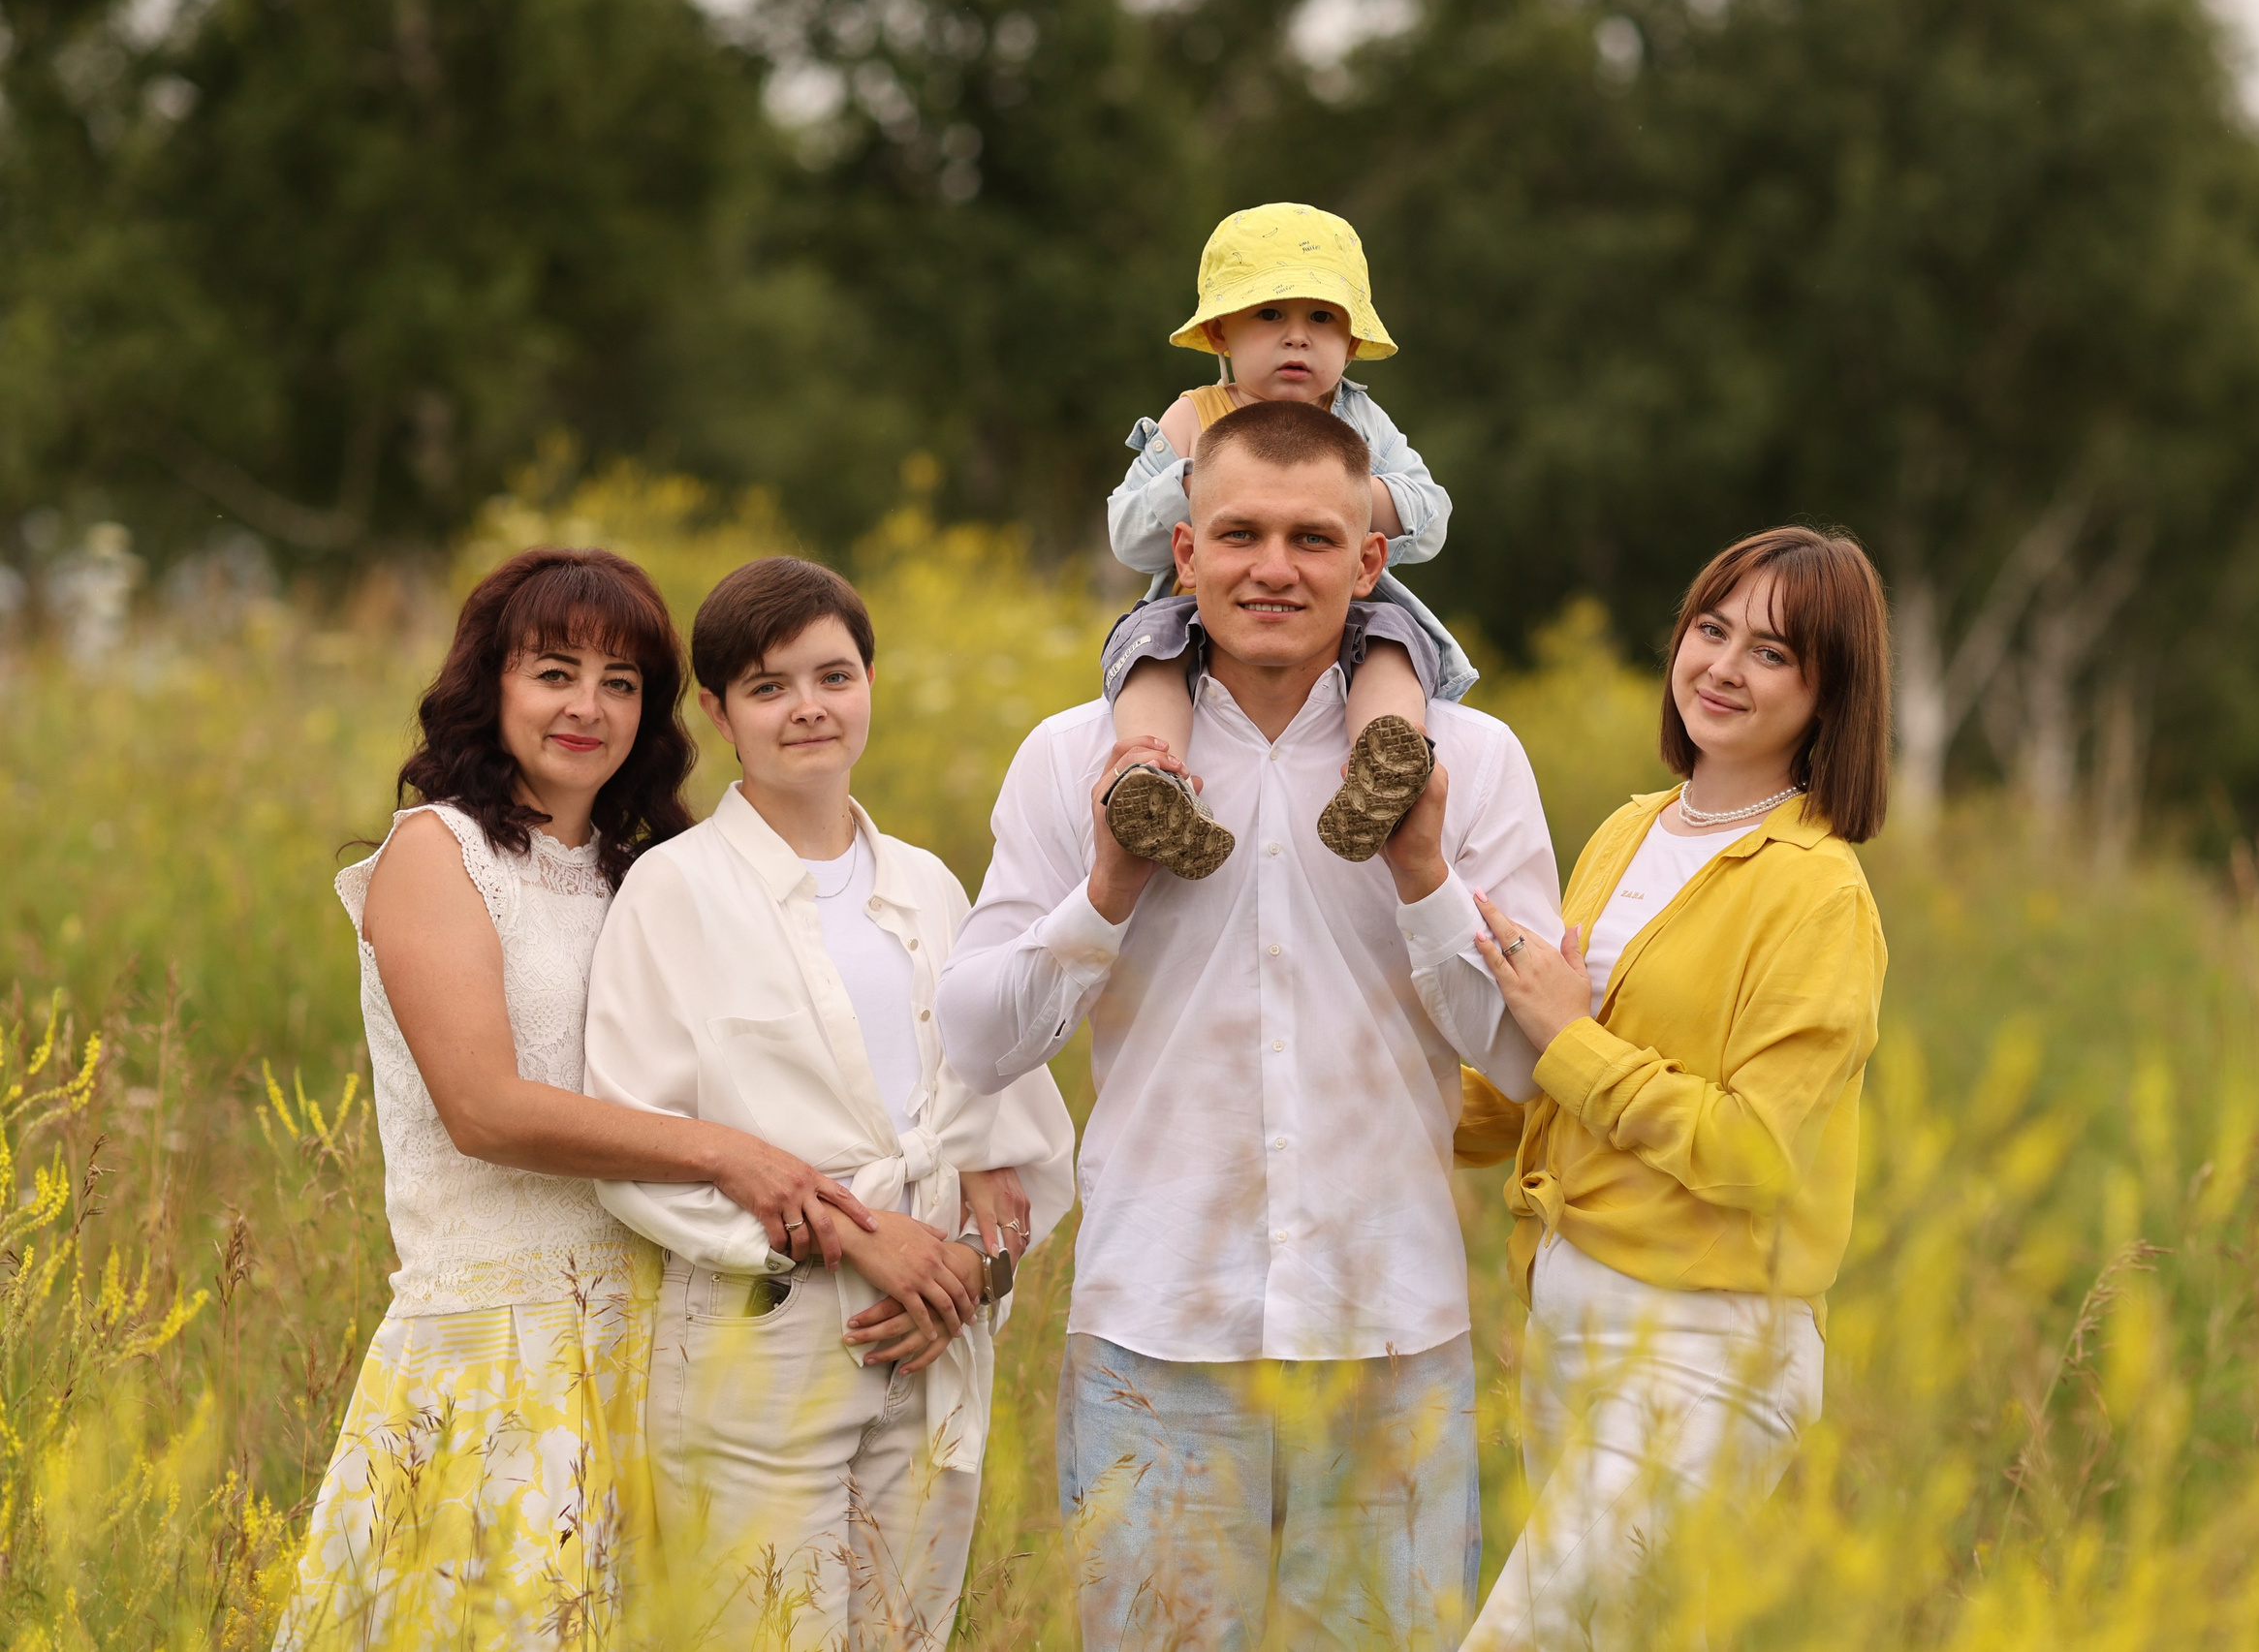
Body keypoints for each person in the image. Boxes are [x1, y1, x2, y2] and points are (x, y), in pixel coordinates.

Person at [938, 398, 1564, 1651]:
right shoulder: (1080, 758)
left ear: (1370, 561)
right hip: (1153, 1331)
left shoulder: (1473, 759)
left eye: (1311, 539)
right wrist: (1108, 888)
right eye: (1237, 533)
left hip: (1389, 1328)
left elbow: (1518, 1052)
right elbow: (975, 1034)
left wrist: (1427, 870)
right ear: (1182, 553)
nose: (1272, 567)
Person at [278, 547, 879, 1651]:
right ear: (490, 685)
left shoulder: (638, 872)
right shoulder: (436, 853)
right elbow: (485, 1110)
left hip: (653, 1330)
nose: (586, 707)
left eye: (620, 682)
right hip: (498, 1343)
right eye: (553, 671)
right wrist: (722, 1154)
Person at [583, 556, 1077, 1647]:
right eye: (768, 687)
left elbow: (1008, 1113)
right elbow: (640, 1142)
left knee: (905, 1630)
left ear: (868, 683)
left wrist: (969, 1270)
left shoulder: (929, 884)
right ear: (715, 711)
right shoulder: (675, 890)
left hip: (932, 1323)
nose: (808, 708)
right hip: (763, 1337)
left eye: (833, 675)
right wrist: (864, 1241)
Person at [1455, 526, 1893, 1649]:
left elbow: (1756, 1150)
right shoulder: (1627, 830)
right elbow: (1527, 1088)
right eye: (1711, 629)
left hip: (1707, 1342)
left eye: (1771, 654)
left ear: (1828, 694)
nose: (1721, 668)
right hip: (1565, 1321)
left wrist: (1566, 1035)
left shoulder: (1818, 893)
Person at [1100, 201, 1477, 878]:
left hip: (1341, 603)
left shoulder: (1360, 420)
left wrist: (1349, 498)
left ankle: (1383, 764)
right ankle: (1149, 780)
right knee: (1149, 648)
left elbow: (1432, 515)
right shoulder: (1195, 417)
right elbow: (1129, 534)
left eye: (1322, 319)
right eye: (1270, 315)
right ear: (1221, 332)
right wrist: (1202, 478)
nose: (1297, 338)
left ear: (1352, 341)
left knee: (1394, 641)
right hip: (1200, 605)